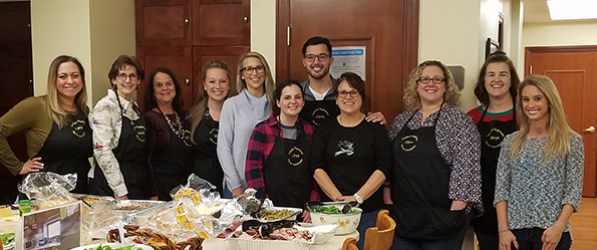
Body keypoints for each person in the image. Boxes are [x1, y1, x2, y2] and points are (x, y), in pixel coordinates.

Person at [387, 60, 482, 250]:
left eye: (438, 79)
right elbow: (387, 163)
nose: (431, 84)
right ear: (416, 85)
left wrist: (454, 212)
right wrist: (389, 202)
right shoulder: (401, 121)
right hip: (404, 217)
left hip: (442, 218)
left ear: (446, 86)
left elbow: (466, 169)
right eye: (425, 79)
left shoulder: (459, 121)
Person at [494, 75, 583, 250]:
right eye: (526, 99)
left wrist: (558, 227)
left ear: (550, 101)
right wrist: (503, 229)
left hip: (551, 232)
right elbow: (501, 189)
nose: (530, 105)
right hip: (515, 232)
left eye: (537, 98)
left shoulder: (571, 141)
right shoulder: (510, 142)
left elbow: (573, 190)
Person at [310, 72, 392, 249]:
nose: (348, 97)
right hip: (331, 212)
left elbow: (384, 167)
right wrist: (338, 200)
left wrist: (358, 198)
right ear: (337, 99)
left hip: (367, 210)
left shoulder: (375, 127)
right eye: (343, 93)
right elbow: (316, 166)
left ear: (361, 97)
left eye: (354, 92)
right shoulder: (325, 128)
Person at [0, 55, 92, 194]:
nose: (70, 81)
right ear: (53, 80)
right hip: (45, 192)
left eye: (75, 75)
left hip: (81, 188)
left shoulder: (84, 111)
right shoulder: (36, 106)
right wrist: (17, 167)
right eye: (62, 76)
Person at [468, 51, 520, 250]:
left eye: (503, 74)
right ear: (483, 80)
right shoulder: (471, 117)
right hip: (484, 204)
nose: (496, 79)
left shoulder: (525, 115)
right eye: (491, 74)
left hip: (517, 204)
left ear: (512, 80)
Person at [88, 55, 156, 200]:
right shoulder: (105, 107)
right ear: (113, 79)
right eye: (122, 76)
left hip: (134, 181)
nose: (127, 80)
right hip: (110, 187)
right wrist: (120, 191)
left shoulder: (134, 108)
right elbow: (102, 151)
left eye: (132, 76)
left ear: (138, 81)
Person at [245, 79, 317, 211]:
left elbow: (317, 170)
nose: (293, 102)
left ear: (303, 102)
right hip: (271, 209)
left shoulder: (310, 131)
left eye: (297, 97)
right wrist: (263, 204)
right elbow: (252, 170)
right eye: (287, 98)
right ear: (278, 102)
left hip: (304, 210)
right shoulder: (262, 130)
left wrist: (312, 206)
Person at [217, 51, 275, 198]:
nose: (254, 73)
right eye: (248, 69)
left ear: (265, 71)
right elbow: (223, 147)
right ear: (242, 75)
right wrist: (235, 185)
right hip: (239, 186)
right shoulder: (232, 105)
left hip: (270, 184)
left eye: (258, 68)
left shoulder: (276, 104)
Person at [299, 36, 386, 125]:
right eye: (310, 57)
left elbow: (360, 124)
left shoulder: (348, 92)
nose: (316, 62)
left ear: (331, 60)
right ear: (304, 62)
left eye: (322, 56)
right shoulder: (296, 94)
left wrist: (377, 123)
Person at [143, 67, 192, 201]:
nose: (165, 88)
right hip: (160, 189)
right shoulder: (148, 119)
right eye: (159, 85)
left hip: (184, 188)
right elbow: (145, 161)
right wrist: (152, 195)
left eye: (169, 83)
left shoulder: (184, 117)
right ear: (153, 92)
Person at [188, 60, 236, 196]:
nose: (217, 86)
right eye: (212, 81)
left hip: (230, 184)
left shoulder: (238, 115)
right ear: (204, 84)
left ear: (229, 85)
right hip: (199, 187)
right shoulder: (192, 116)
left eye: (222, 81)